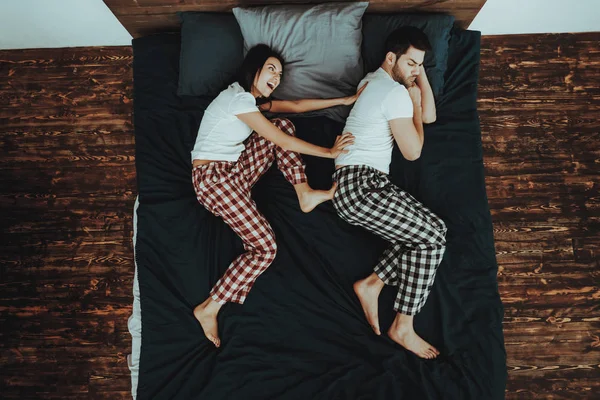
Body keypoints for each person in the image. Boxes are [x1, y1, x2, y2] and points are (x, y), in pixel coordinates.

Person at [192, 44, 363, 348]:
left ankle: (305, 193)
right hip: (213, 180)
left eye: (280, 74)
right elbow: (277, 139)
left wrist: (345, 99)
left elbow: (294, 107)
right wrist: (328, 152)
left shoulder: (252, 102)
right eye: (271, 69)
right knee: (265, 249)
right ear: (254, 68)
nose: (277, 77)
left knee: (283, 120)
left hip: (233, 172)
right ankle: (210, 306)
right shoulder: (237, 98)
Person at [332, 27, 447, 359]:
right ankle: (403, 325)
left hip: (363, 184)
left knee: (435, 230)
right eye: (411, 63)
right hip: (360, 187)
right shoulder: (392, 94)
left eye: (421, 65)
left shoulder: (372, 81)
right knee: (432, 241)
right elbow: (413, 151)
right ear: (391, 57)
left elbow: (429, 112)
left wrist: (415, 76)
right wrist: (412, 100)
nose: (415, 71)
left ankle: (373, 284)